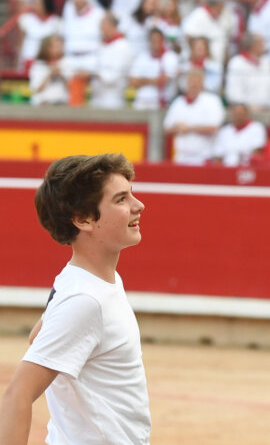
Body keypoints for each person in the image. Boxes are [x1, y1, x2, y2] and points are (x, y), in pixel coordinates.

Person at [0, 153, 149, 445]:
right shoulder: (85, 299)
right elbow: (17, 395)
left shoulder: (83, 281)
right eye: (121, 199)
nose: (138, 205)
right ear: (83, 219)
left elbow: (37, 336)